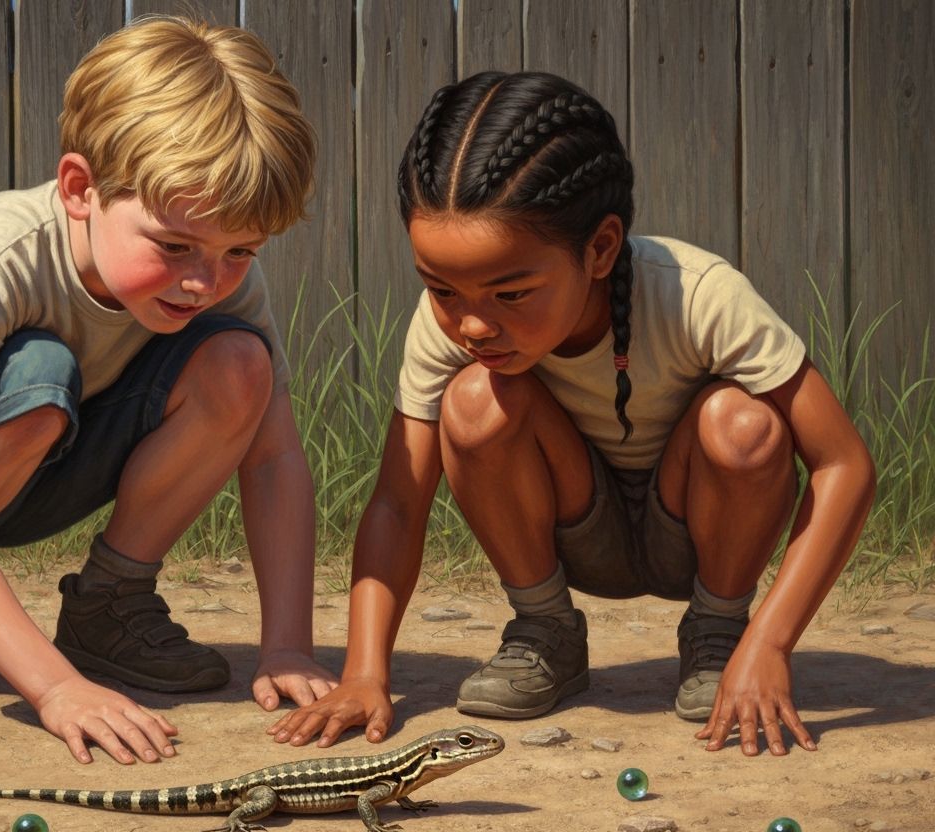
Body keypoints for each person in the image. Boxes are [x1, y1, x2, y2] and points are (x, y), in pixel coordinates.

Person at [268, 70, 876, 758]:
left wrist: (770, 641)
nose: (472, 324)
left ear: (600, 249)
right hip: (573, 532)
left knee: (744, 424)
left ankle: (718, 635)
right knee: (474, 401)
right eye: (442, 289)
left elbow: (844, 464)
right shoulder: (449, 326)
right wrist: (363, 674)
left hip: (699, 531)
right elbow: (398, 503)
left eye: (510, 293)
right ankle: (545, 632)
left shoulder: (698, 295)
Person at [0, 16, 335, 766]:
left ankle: (109, 606)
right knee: (39, 375)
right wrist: (56, 689)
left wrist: (287, 646)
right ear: (81, 189)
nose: (205, 280)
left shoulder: (216, 280)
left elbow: (273, 459)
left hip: (39, 461)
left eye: (240, 250)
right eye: (174, 245)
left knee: (242, 364)